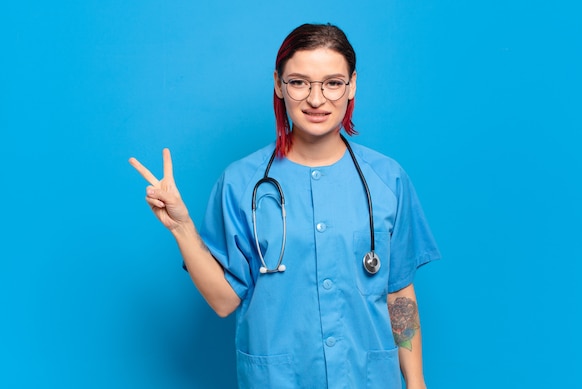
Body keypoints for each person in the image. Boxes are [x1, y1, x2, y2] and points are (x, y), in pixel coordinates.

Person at [130, 23, 440, 389]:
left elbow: (398, 291)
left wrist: (416, 382)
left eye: (332, 82)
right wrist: (181, 227)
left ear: (352, 85)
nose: (316, 98)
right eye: (299, 82)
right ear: (279, 84)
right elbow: (224, 301)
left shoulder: (388, 180)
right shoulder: (239, 183)